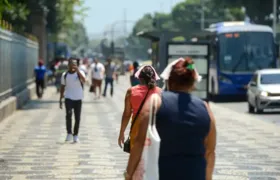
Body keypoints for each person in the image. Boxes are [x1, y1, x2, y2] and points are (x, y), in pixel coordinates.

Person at [124, 57, 216, 180]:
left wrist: (128, 174)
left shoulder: (156, 102)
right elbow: (210, 151)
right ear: (192, 83)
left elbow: (139, 143)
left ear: (169, 81)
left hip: (162, 174)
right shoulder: (205, 108)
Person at [118, 65, 161, 151]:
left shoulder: (131, 91)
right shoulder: (160, 92)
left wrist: (121, 132)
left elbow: (126, 114)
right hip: (155, 131)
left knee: (137, 160)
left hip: (136, 131)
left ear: (140, 78)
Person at [59, 58, 86, 143]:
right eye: (71, 64)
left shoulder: (80, 73)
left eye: (74, 64)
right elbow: (62, 87)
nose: (73, 65)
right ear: (68, 65)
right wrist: (60, 99)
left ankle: (75, 135)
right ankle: (69, 133)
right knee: (68, 115)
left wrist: (77, 71)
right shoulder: (65, 75)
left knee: (77, 118)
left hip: (78, 98)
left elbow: (84, 80)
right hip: (68, 97)